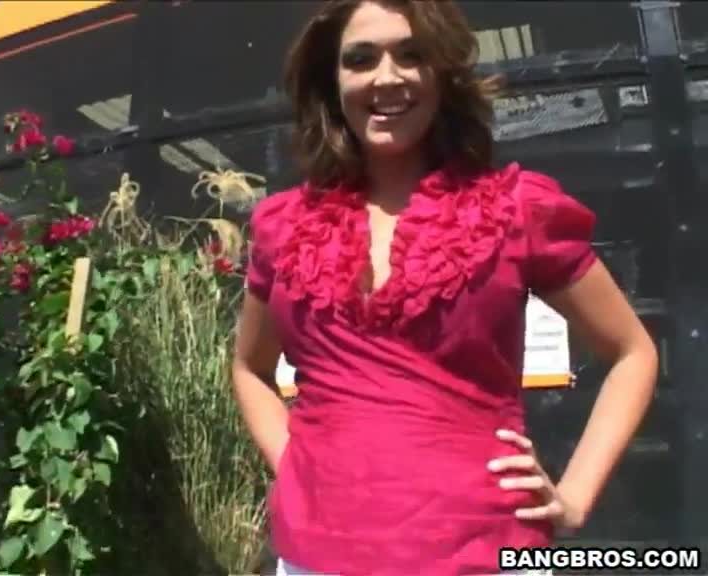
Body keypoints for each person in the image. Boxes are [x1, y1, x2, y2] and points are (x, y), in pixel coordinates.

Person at [231, 1, 659, 574]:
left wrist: (575, 497)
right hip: (314, 558)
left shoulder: (515, 210)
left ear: (443, 75)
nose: (387, 77)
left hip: (485, 553)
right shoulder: (282, 226)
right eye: (361, 59)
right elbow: (249, 367)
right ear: (332, 81)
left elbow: (632, 352)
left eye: (412, 55)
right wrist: (295, 464)